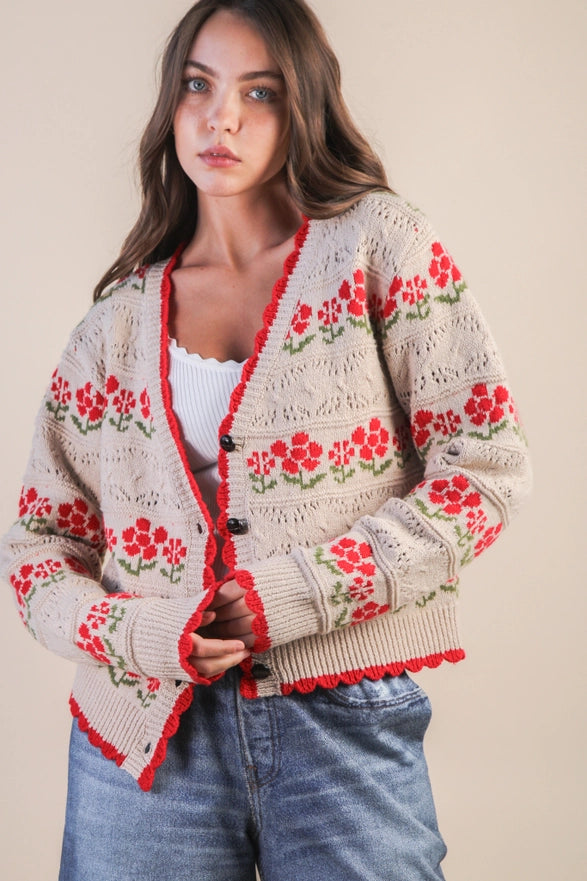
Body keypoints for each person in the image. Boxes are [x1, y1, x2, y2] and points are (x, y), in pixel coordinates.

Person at [0, 1, 532, 879]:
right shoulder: (114, 323)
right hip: (143, 738)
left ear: (306, 107)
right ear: (170, 106)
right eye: (198, 86)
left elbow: (484, 470)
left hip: (339, 714)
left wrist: (296, 591)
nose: (222, 118)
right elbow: (36, 552)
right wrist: (137, 631)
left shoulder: (378, 248)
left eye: (262, 92)